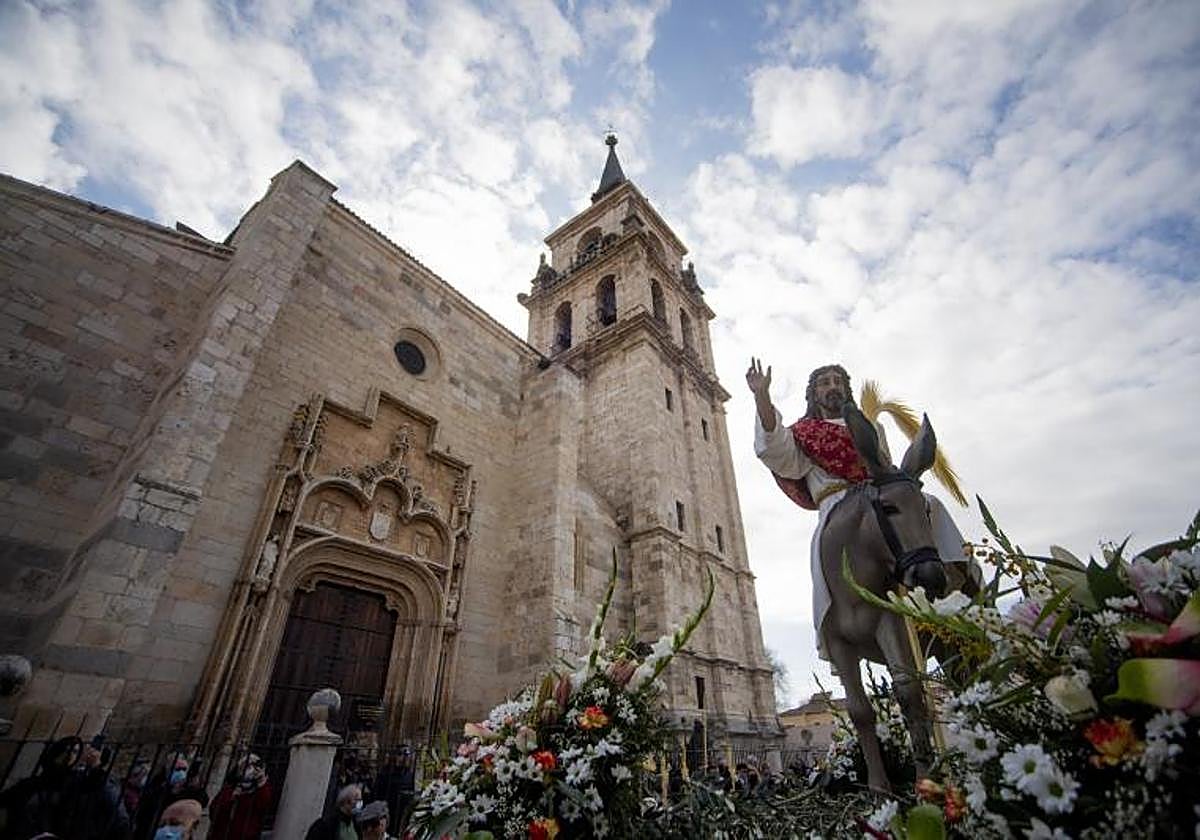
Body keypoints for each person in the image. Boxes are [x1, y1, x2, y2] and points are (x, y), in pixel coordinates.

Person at [747, 360, 977, 663]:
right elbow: (774, 449)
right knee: (824, 550)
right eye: (824, 383)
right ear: (814, 394)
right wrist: (762, 396)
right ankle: (832, 621)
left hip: (878, 496)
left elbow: (885, 467)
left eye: (838, 381)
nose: (833, 387)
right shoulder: (803, 434)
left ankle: (955, 572)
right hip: (836, 505)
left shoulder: (872, 428)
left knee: (928, 504)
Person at [135, 754, 209, 840]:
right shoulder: (156, 786)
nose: (181, 772)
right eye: (177, 769)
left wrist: (192, 786)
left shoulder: (188, 789)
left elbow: (202, 800)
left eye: (184, 769)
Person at [208, 753, 271, 840]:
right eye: (247, 765)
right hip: (222, 834)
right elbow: (214, 811)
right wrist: (232, 797)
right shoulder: (229, 789)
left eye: (253, 766)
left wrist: (261, 782)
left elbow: (264, 805)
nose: (250, 769)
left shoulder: (260, 789)